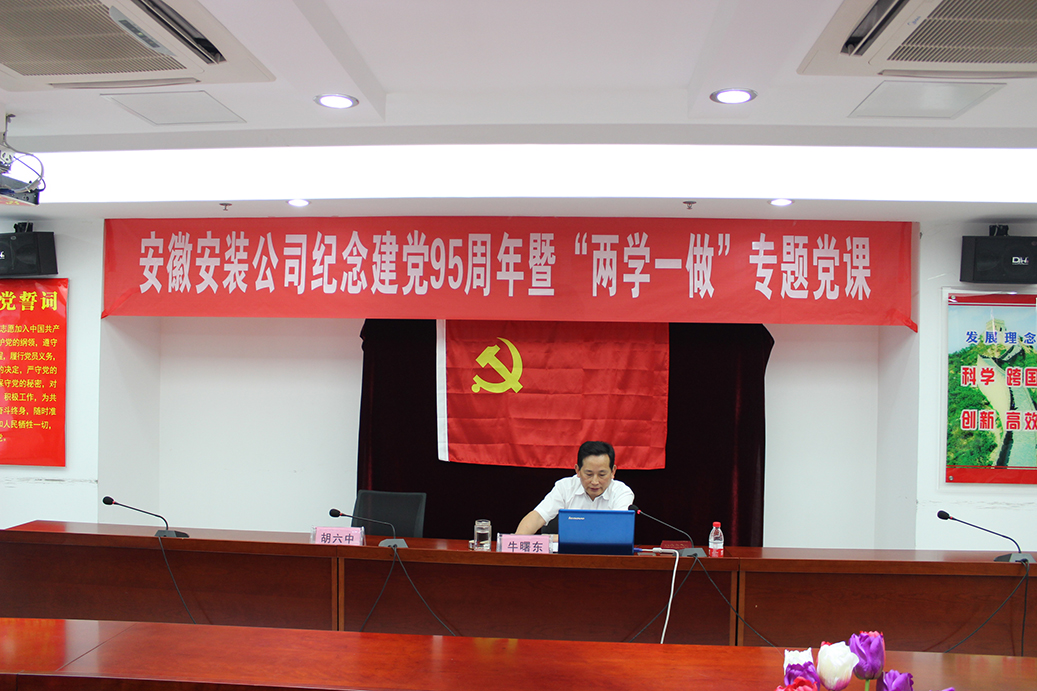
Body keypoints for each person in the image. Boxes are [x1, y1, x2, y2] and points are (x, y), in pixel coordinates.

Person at [515, 440, 634, 535]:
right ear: (577, 470)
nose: (595, 481)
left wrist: (556, 538)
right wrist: (518, 540)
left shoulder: (622, 493)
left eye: (602, 474)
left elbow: (615, 531)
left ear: (613, 471)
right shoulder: (565, 487)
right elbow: (537, 517)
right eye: (589, 474)